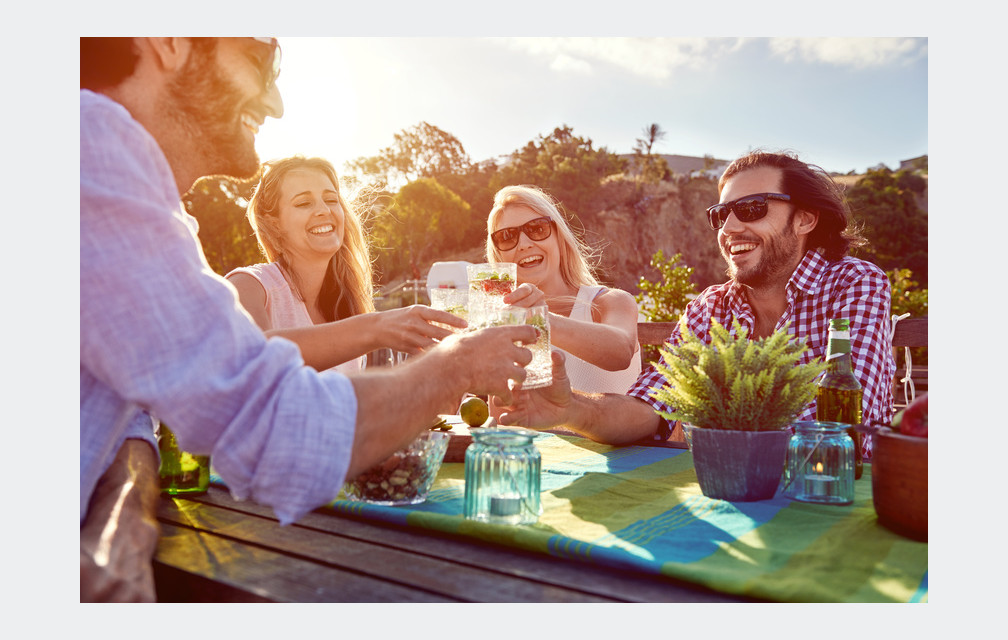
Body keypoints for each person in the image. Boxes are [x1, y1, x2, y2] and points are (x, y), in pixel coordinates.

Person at [80, 37, 536, 602]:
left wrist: (123, 502)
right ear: (169, 41)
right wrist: (457, 366)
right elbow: (277, 429)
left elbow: (121, 407)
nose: (275, 104)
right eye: (261, 58)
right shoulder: (91, 150)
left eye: (330, 199)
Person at [496, 150, 896, 461]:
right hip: (731, 491)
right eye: (721, 215)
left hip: (837, 497)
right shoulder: (711, 308)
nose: (730, 228)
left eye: (752, 209)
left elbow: (838, 424)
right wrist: (569, 409)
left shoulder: (854, 284)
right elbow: (649, 407)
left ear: (805, 218)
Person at [226, 155, 453, 373]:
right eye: (304, 203)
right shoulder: (248, 286)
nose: (324, 210)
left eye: (332, 200)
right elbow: (256, 359)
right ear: (273, 224)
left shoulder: (345, 306)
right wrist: (376, 327)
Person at [486, 185, 641, 395]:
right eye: (507, 237)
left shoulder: (609, 302)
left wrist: (541, 319)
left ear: (559, 238)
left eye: (537, 229)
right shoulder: (506, 323)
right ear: (499, 255)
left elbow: (621, 352)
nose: (523, 244)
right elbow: (503, 417)